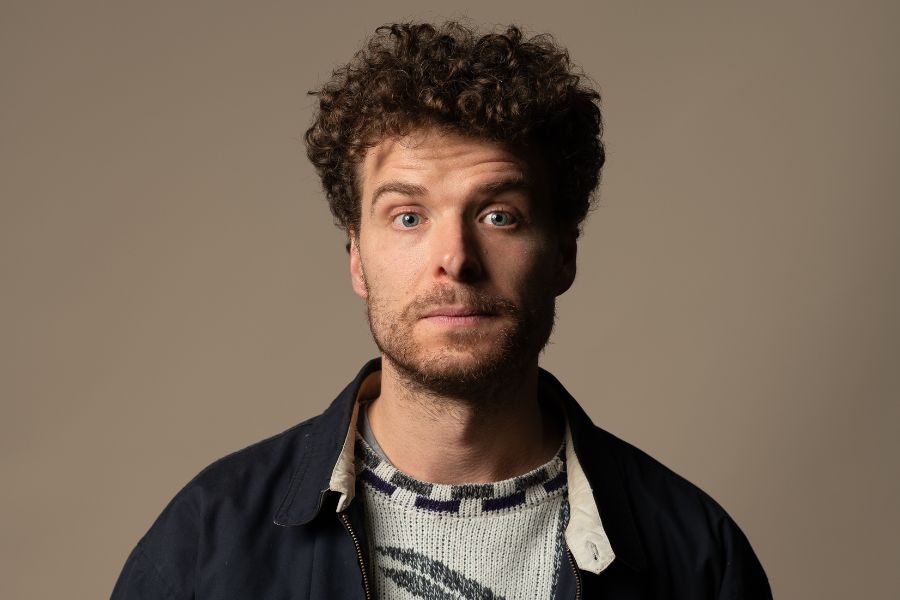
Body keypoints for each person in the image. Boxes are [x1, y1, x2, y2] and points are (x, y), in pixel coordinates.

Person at [112, 22, 771, 599]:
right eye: (407, 216)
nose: (455, 257)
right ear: (355, 259)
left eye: (498, 215)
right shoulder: (209, 540)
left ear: (563, 255)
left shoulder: (693, 556)